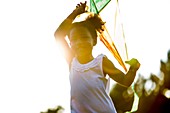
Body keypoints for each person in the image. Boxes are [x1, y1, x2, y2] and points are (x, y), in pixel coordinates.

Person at [54, 1, 140, 113]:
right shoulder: (72, 62)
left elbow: (125, 80)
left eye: (84, 37)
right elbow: (58, 35)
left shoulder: (101, 62)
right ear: (70, 43)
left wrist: (133, 68)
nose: (79, 42)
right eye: (74, 39)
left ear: (94, 40)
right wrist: (75, 13)